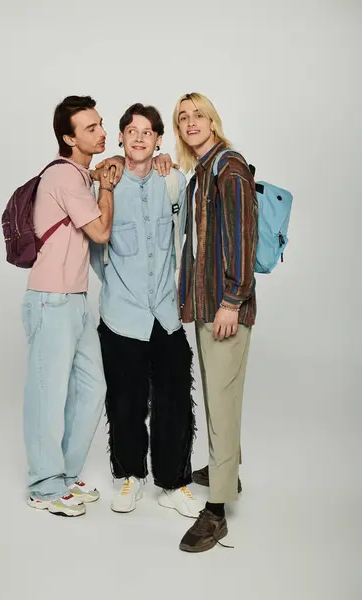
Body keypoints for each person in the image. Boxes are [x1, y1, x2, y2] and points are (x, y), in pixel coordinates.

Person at [92, 103, 201, 518]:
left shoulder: (172, 179)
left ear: (158, 140)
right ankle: (128, 476)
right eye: (130, 131)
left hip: (166, 312)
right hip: (122, 313)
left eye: (147, 132)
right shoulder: (105, 182)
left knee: (174, 398)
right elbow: (95, 250)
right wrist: (118, 288)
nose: (139, 137)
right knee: (125, 400)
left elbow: (184, 234)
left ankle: (174, 482)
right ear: (120, 137)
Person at [22, 95, 123, 517]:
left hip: (76, 300)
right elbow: (100, 232)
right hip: (51, 299)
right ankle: (44, 485)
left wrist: (104, 171)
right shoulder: (65, 177)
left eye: (100, 124)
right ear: (68, 138)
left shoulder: (79, 173)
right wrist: (107, 185)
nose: (101, 133)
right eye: (91, 129)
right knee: (48, 393)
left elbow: (108, 164)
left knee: (93, 387)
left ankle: (64, 474)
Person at [172, 92, 258, 551]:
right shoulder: (201, 172)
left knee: (221, 404)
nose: (190, 122)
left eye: (197, 114)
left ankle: (217, 511)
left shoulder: (229, 168)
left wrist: (231, 300)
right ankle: (228, 468)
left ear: (213, 119)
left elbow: (243, 237)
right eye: (182, 117)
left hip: (224, 307)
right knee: (216, 397)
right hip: (205, 306)